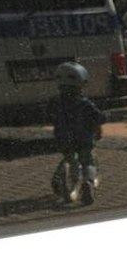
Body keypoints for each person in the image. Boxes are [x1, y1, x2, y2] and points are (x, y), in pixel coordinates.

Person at [47, 61, 106, 206]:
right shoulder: (85, 104)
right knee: (88, 161)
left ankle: (59, 179)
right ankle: (88, 182)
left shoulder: (54, 102)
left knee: (68, 158)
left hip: (63, 138)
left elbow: (48, 114)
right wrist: (98, 127)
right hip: (84, 138)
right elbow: (100, 118)